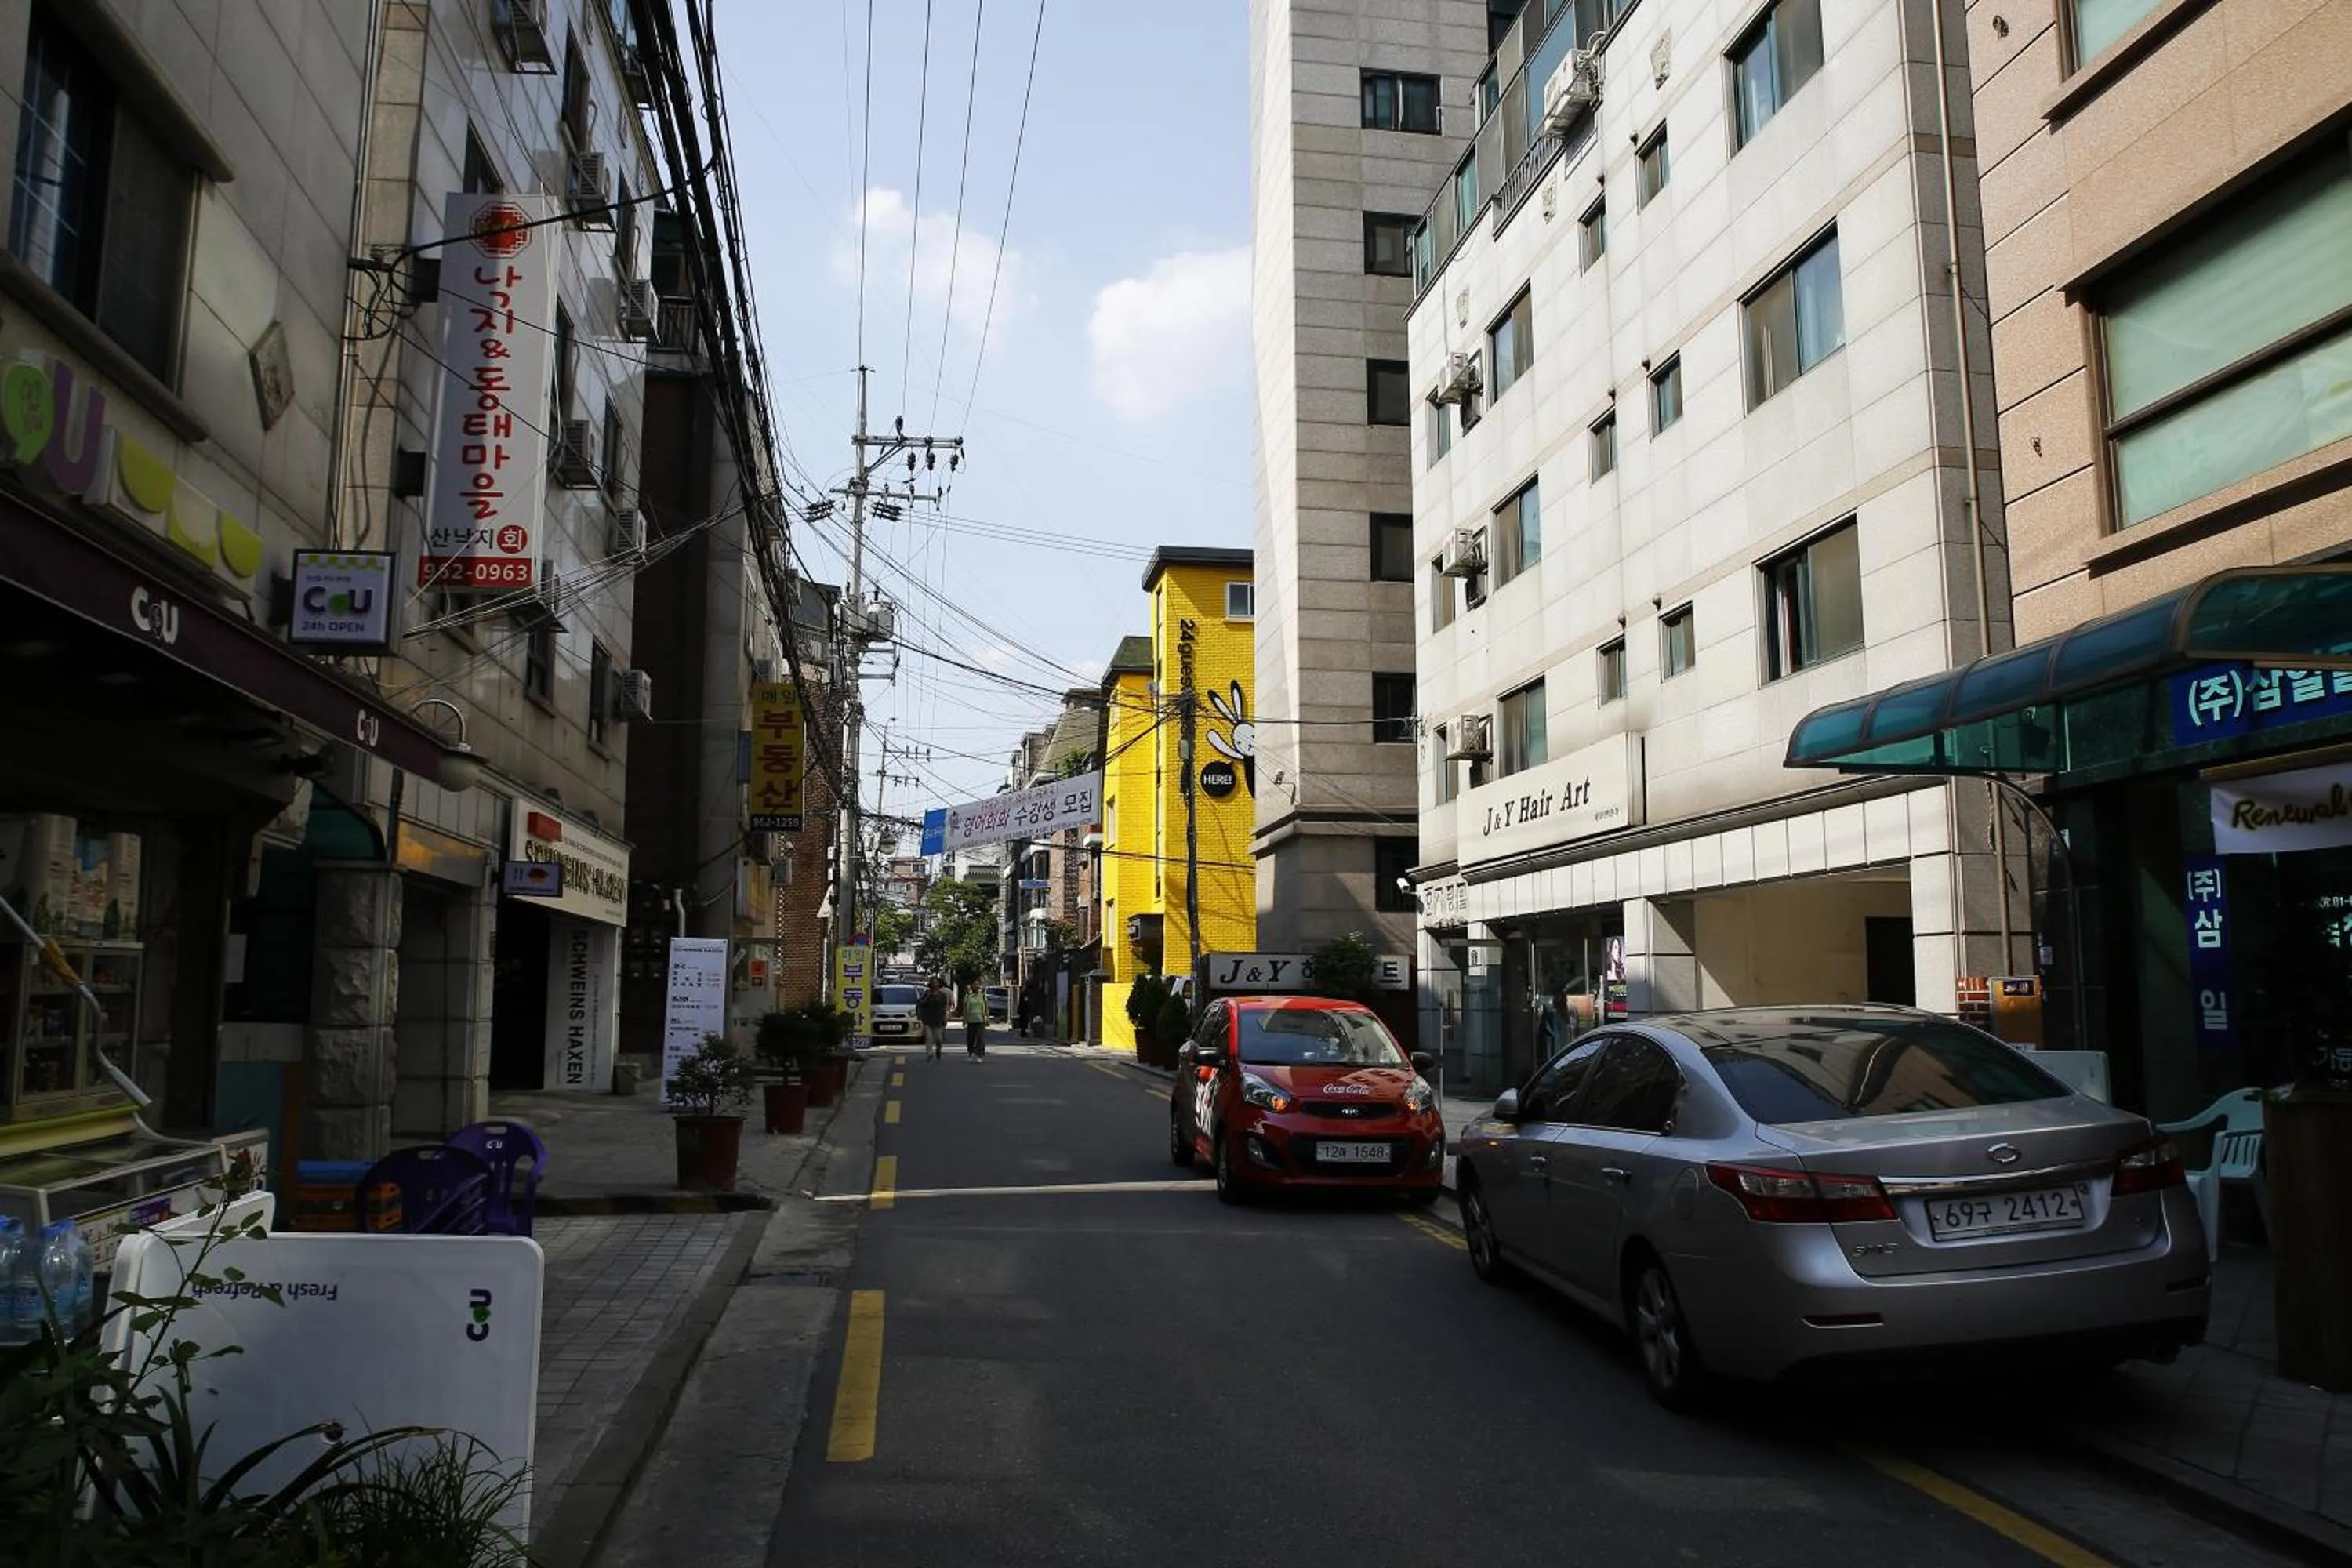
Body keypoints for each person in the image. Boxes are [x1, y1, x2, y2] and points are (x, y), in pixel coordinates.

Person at [916, 975, 951, 1061]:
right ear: (931, 984)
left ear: (939, 984)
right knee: (929, 1037)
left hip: (939, 1019)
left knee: (939, 1039)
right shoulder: (927, 994)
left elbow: (945, 1007)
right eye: (933, 983)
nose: (935, 984)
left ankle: (938, 1050)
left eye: (937, 983)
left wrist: (946, 1017)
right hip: (928, 1019)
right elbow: (920, 1004)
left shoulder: (942, 995)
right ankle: (929, 1053)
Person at [961, 981, 987, 1058]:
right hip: (971, 1020)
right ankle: (971, 1051)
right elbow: (965, 1009)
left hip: (980, 1019)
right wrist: (964, 1019)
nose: (976, 986)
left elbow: (986, 1007)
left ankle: (979, 1054)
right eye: (974, 984)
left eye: (977, 984)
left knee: (980, 1037)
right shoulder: (968, 996)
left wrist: (987, 1018)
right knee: (971, 1038)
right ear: (972, 986)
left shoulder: (982, 996)